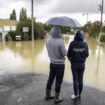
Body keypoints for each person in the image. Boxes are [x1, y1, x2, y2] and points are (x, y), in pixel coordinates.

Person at [45, 26, 67, 103]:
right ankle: (57, 98)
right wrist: (62, 40)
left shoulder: (47, 40)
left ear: (52, 32)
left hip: (52, 63)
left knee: (50, 79)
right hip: (60, 65)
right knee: (58, 81)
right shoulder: (61, 41)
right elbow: (64, 53)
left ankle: (48, 95)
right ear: (59, 32)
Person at [67, 31, 89, 100]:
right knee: (80, 79)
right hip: (82, 65)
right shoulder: (85, 44)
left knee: (75, 80)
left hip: (74, 64)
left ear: (75, 36)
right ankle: (79, 95)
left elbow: (68, 55)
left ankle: (76, 95)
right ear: (82, 36)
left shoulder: (72, 43)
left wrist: (71, 61)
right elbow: (87, 55)